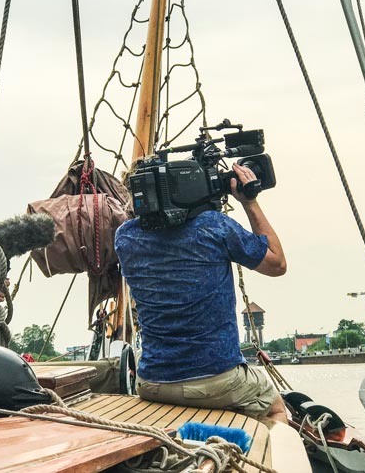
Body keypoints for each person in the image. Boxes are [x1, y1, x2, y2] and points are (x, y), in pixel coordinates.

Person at [114, 163, 288, 423]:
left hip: (152, 383)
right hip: (218, 380)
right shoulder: (214, 226)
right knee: (276, 408)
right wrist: (249, 201)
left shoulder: (124, 238)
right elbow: (277, 264)